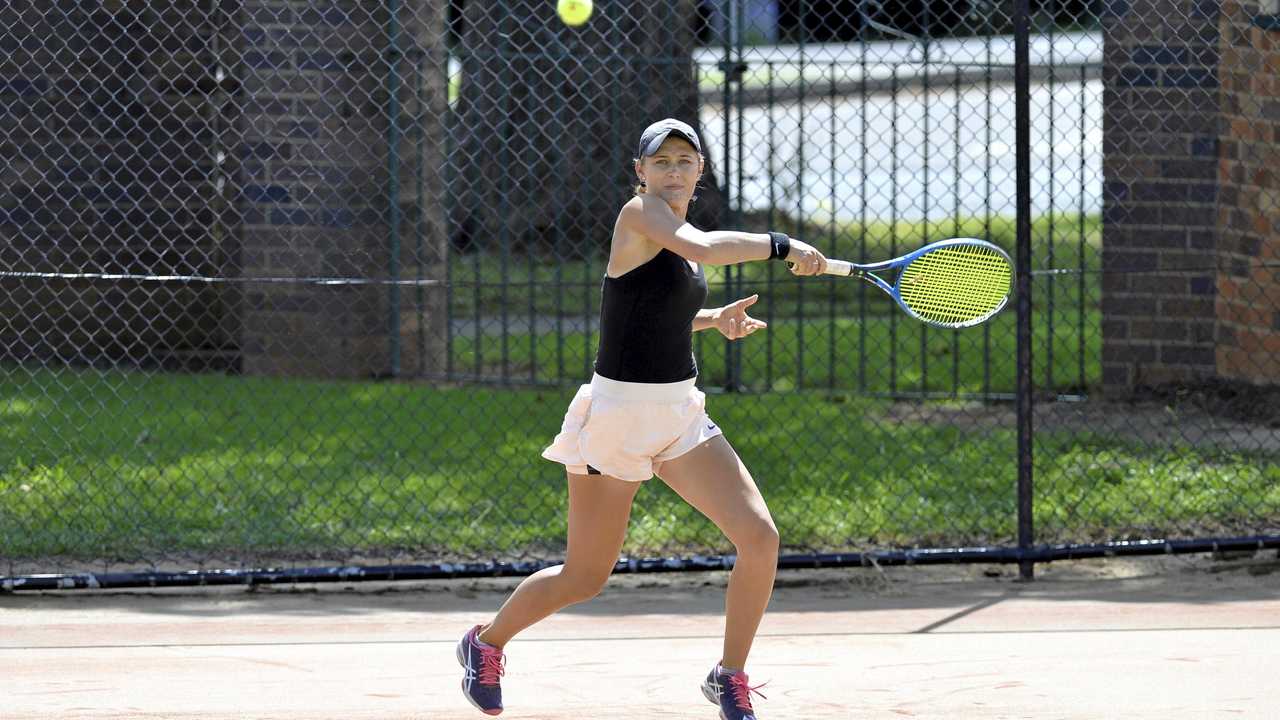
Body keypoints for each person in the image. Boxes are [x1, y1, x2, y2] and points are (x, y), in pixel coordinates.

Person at [457, 118, 828, 720]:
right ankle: (486, 642)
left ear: (700, 171)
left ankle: (728, 674)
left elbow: (649, 313)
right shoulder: (640, 216)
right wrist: (780, 246)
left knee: (760, 538)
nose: (674, 171)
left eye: (685, 161)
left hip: (680, 414)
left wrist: (711, 321)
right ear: (641, 172)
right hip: (618, 418)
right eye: (661, 162)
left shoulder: (679, 233)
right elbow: (709, 249)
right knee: (584, 576)